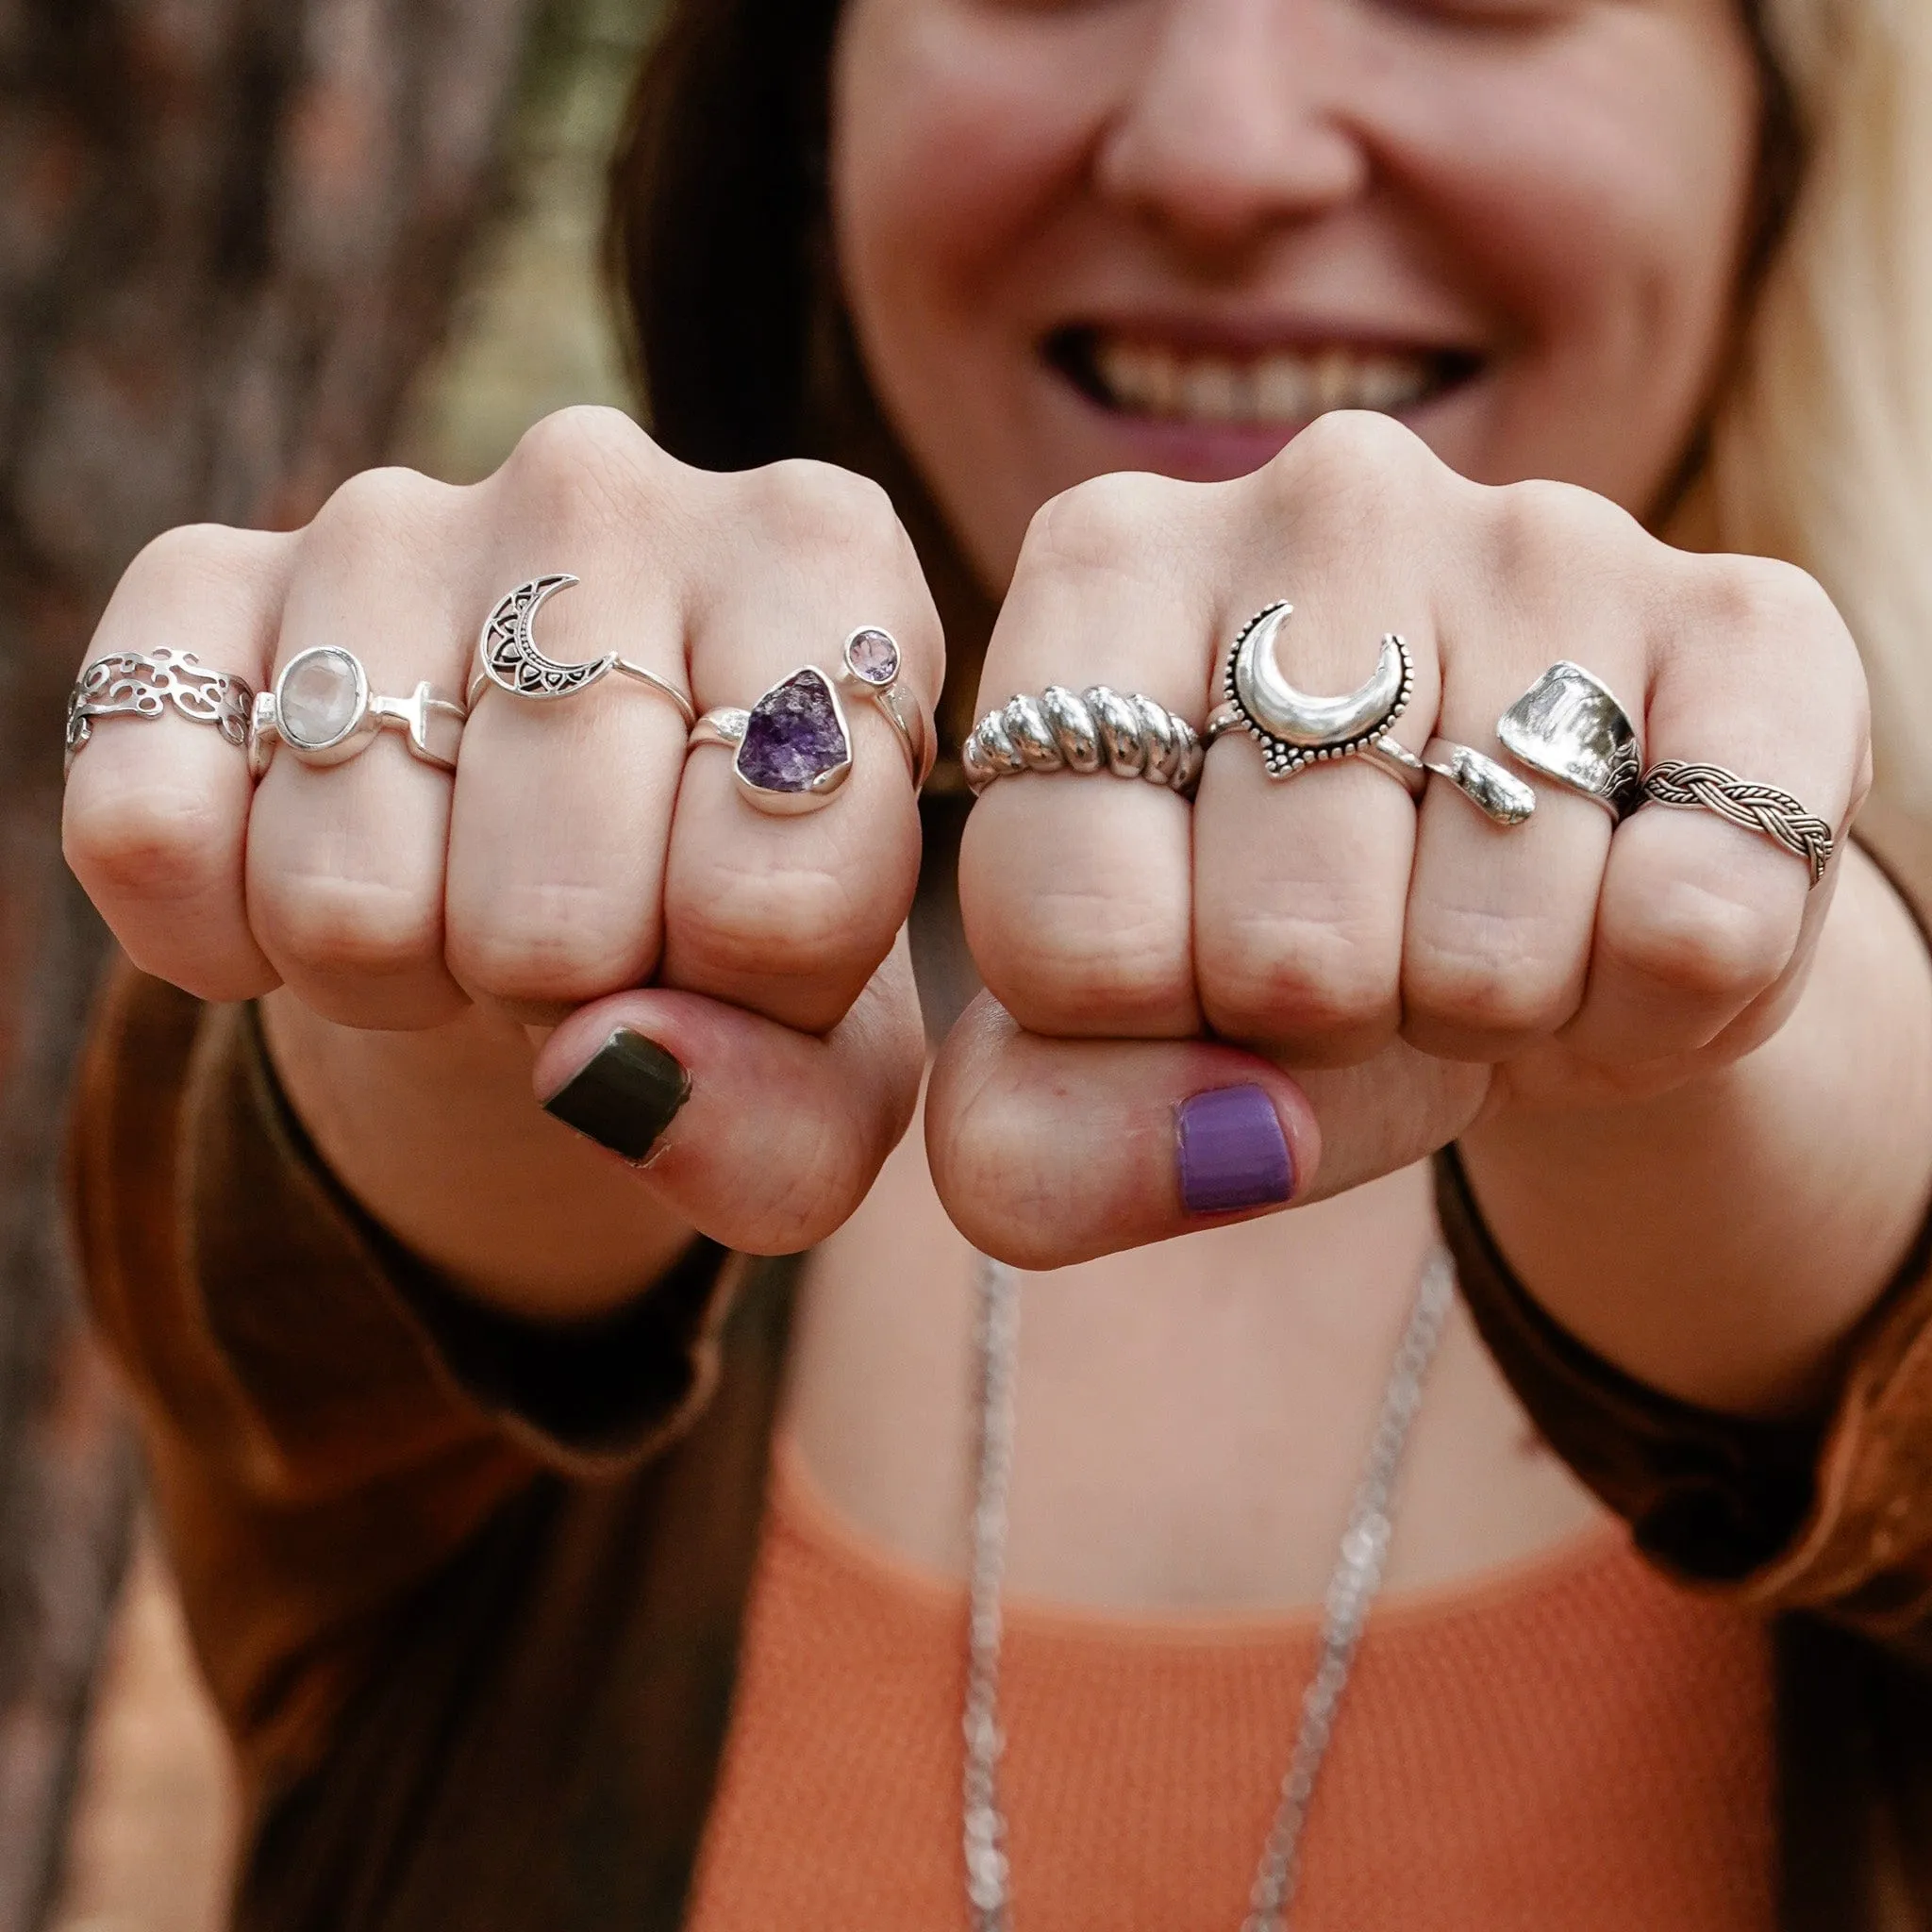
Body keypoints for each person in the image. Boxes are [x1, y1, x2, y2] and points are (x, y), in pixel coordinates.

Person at [53, 0, 1932, 1925]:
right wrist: (468, 972)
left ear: (1781, 127)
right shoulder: (509, 1036)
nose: (1219, 149)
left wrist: (1775, 1018)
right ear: (808, 101)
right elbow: (298, 1266)